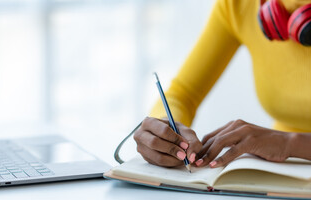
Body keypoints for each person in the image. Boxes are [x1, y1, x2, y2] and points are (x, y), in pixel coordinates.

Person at [133, 0, 311, 169]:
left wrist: (291, 143)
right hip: (284, 174)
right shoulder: (238, 5)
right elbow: (183, 93)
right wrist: (166, 128)